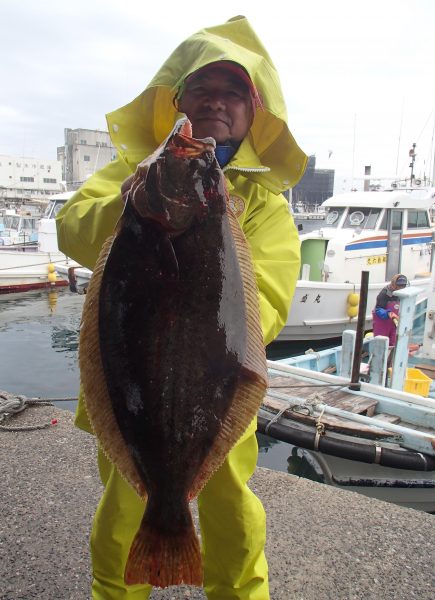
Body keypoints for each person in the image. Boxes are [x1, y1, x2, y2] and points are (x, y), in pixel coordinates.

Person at [56, 15, 307, 600]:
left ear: (254, 109)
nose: (216, 103)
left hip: (213, 390)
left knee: (234, 524)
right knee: (122, 521)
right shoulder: (135, 175)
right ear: (177, 102)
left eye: (232, 92)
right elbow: (72, 230)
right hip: (132, 387)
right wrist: (126, 203)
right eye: (201, 90)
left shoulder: (263, 205)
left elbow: (266, 305)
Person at [372, 273, 408, 346]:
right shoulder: (384, 294)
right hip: (383, 324)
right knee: (381, 344)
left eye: (403, 286)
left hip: (394, 324)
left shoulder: (402, 294)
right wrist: (389, 313)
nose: (401, 288)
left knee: (393, 343)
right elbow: (378, 309)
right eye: (399, 286)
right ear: (394, 284)